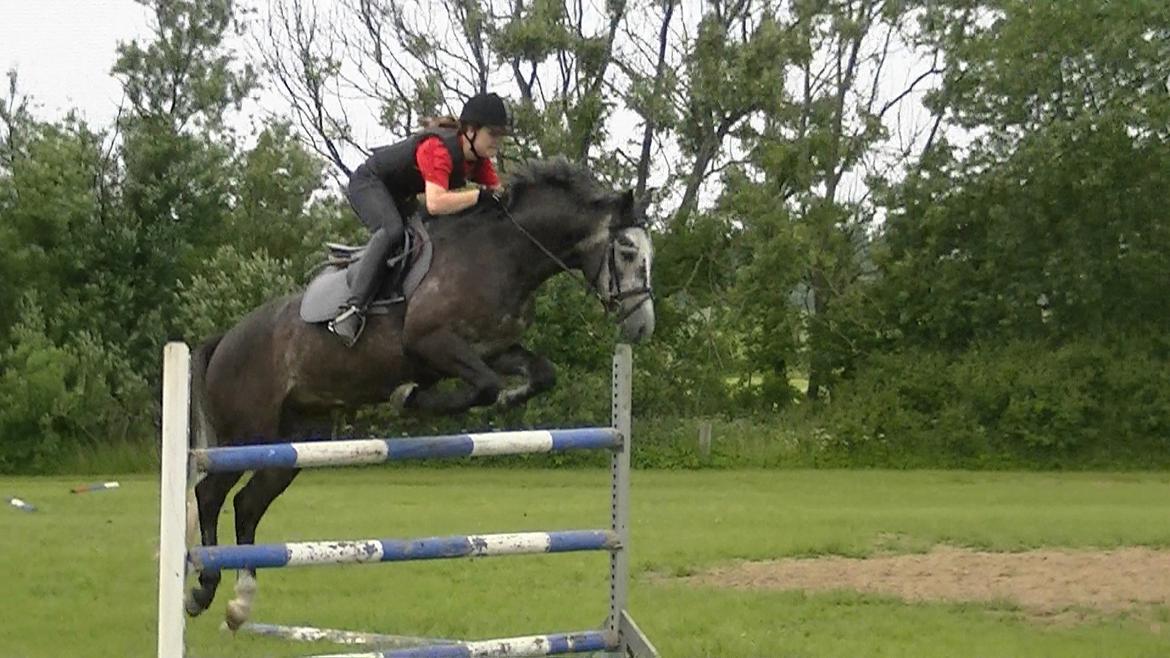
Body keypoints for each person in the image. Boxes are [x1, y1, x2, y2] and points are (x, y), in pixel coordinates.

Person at [329, 92, 511, 346]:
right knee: (392, 231)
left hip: (400, 194)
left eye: (501, 135)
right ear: (471, 130)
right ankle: (352, 310)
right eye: (493, 134)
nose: (497, 142)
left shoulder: (479, 161)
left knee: (429, 235)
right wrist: (479, 196)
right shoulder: (438, 149)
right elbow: (435, 203)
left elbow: (499, 195)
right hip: (369, 183)